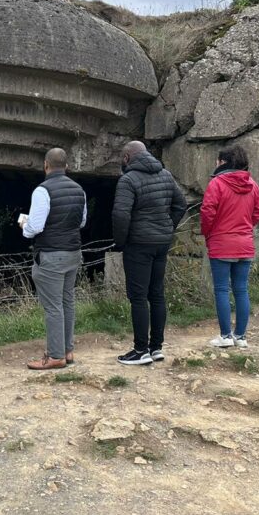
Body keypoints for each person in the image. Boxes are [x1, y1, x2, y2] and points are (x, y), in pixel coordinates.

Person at [112, 141, 187, 366]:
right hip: (161, 243)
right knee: (156, 294)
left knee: (138, 297)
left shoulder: (128, 180)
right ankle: (156, 348)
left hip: (138, 244)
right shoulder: (165, 174)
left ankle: (140, 350)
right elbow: (181, 204)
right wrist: (167, 227)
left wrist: (121, 242)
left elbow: (120, 215)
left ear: (127, 158)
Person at [20, 147, 87, 370]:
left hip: (51, 254)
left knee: (53, 307)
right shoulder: (79, 190)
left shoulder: (42, 190)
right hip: (73, 253)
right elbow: (81, 222)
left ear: (46, 166)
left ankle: (55, 356)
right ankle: (67, 351)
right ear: (66, 166)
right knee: (67, 302)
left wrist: (24, 226)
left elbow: (35, 227)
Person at [200, 145, 259, 348]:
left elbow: (207, 212)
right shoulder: (253, 184)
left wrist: (208, 233)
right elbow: (257, 214)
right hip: (245, 243)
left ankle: (225, 336)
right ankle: (241, 337)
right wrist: (244, 229)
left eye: (217, 161)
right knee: (241, 289)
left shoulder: (216, 183)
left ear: (223, 162)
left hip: (221, 242)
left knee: (221, 289)